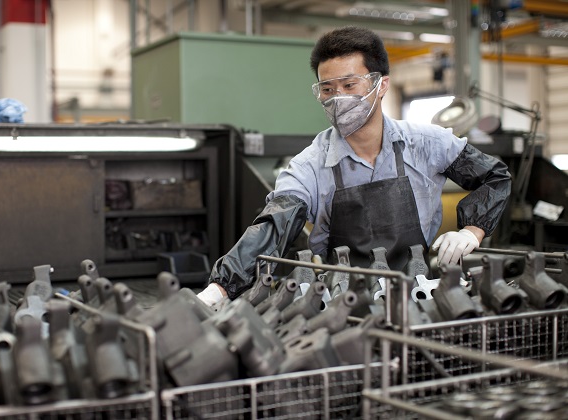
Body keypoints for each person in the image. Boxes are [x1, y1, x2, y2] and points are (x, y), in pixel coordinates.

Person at [198, 26, 511, 306]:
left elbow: (495, 177)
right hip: (342, 303)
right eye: (327, 89)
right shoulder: (309, 166)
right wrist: (219, 289)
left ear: (381, 85)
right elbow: (274, 225)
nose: (338, 98)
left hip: (418, 294)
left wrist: (472, 231)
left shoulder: (428, 144)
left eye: (349, 85)